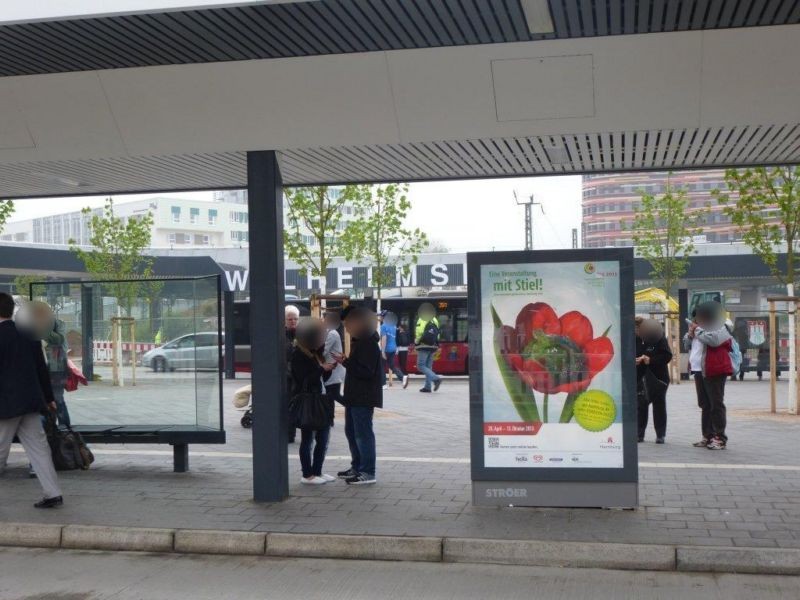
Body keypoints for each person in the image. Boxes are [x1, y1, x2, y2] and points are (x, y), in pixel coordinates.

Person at [0, 293, 63, 508]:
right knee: (39, 448)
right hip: (31, 401)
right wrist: (49, 398)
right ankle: (53, 493)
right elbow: (41, 368)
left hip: (6, 405)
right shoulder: (28, 334)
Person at [332, 306, 382, 485]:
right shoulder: (360, 341)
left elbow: (366, 372)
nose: (347, 328)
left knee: (363, 434)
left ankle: (368, 472)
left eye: (348, 324)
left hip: (363, 396)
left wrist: (345, 362)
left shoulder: (368, 343)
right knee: (352, 432)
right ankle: (357, 466)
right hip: (354, 396)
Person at [289, 318, 334, 485]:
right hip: (309, 402)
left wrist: (327, 368)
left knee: (323, 439)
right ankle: (307, 474)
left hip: (320, 399)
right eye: (320, 336)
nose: (322, 339)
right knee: (308, 439)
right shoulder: (299, 355)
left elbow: (323, 377)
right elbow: (304, 380)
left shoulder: (316, 353)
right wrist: (322, 369)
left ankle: (317, 471)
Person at [683, 301, 733, 450]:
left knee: (716, 404)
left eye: (700, 317)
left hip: (715, 370)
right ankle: (708, 436)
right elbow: (686, 344)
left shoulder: (722, 326)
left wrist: (697, 331)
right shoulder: (698, 328)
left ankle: (720, 437)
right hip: (699, 370)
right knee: (705, 404)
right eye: (696, 318)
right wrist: (690, 335)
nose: (697, 320)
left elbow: (714, 341)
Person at [636, 319, 672, 444]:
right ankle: (639, 434)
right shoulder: (633, 339)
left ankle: (660, 435)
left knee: (659, 405)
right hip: (640, 377)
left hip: (658, 378)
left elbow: (667, 356)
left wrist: (650, 360)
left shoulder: (659, 338)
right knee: (641, 405)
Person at [44, 318, 71, 427]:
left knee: (57, 398)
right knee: (47, 400)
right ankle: (51, 428)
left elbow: (59, 339)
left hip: (57, 367)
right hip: (44, 367)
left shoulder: (58, 323)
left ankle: (65, 428)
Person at [414, 302, 442, 393]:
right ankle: (427, 387)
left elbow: (420, 332)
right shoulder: (435, 320)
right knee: (428, 367)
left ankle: (436, 379)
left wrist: (417, 341)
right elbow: (438, 334)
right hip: (433, 346)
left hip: (424, 345)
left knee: (420, 365)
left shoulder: (422, 319)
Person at [380, 311, 408, 389]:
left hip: (386, 349)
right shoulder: (393, 325)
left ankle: (383, 384)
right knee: (392, 365)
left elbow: (384, 338)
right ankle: (403, 377)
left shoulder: (383, 326)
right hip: (393, 348)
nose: (380, 318)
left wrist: (382, 351)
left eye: (381, 317)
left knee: (381, 366)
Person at [323, 311, 346, 405]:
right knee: (331, 395)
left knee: (333, 395)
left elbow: (324, 350)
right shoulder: (330, 332)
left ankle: (351, 406)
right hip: (332, 369)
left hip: (333, 370)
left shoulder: (332, 333)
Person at [285, 305, 300, 444]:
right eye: (290, 319)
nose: (293, 321)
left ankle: (292, 432)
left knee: (295, 406)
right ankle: (289, 433)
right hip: (286, 377)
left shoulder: (302, 334)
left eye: (295, 319)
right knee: (287, 405)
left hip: (298, 377)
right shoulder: (281, 335)